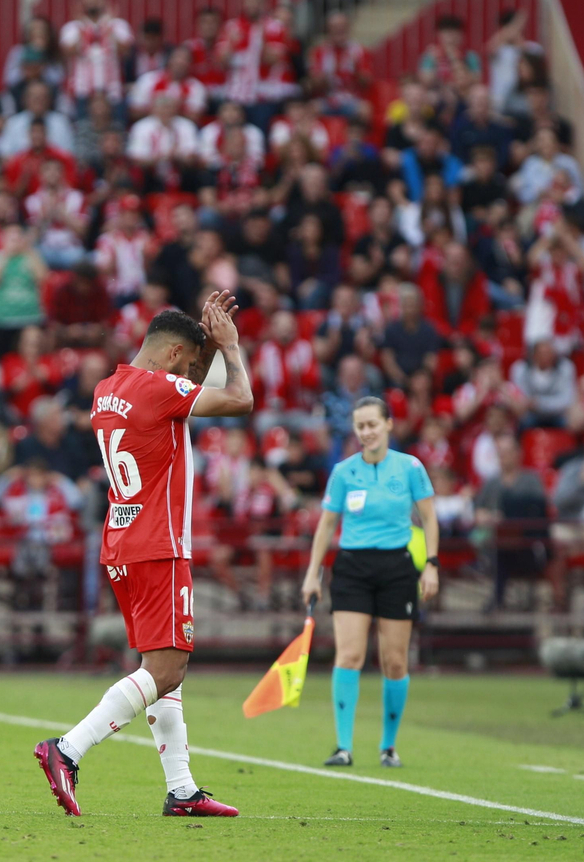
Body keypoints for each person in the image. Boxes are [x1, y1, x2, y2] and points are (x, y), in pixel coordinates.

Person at [34, 293, 253, 819]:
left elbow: (169, 405)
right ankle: (67, 749)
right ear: (175, 355)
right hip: (160, 545)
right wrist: (231, 348)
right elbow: (240, 401)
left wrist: (207, 348)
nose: (199, 380)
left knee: (163, 669)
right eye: (195, 367)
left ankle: (182, 790)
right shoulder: (161, 390)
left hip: (121, 541)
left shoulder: (106, 390)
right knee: (167, 667)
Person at [300, 397, 439, 768]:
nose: (366, 432)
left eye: (373, 424)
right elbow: (327, 524)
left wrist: (432, 565)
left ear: (389, 424)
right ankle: (343, 746)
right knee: (350, 655)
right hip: (353, 568)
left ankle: (388, 747)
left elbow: (429, 518)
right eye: (360, 426)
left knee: (395, 662)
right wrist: (313, 573)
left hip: (397, 567)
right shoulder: (344, 472)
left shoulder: (410, 468)